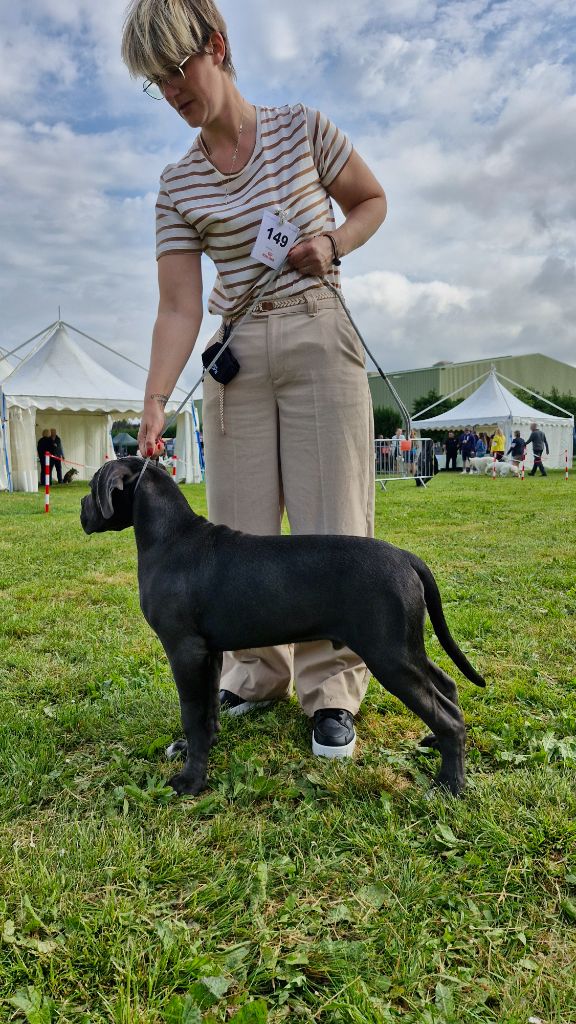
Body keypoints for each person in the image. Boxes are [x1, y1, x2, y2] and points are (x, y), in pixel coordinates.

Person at [121, 0, 387, 759]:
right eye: (156, 81)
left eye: (178, 68)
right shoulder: (177, 186)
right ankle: (254, 673)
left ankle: (332, 688)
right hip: (233, 354)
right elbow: (177, 305)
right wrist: (154, 403)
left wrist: (333, 241)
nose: (172, 91)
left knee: (333, 519)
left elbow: (372, 201)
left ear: (218, 45)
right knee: (232, 534)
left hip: (315, 333)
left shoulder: (303, 127)